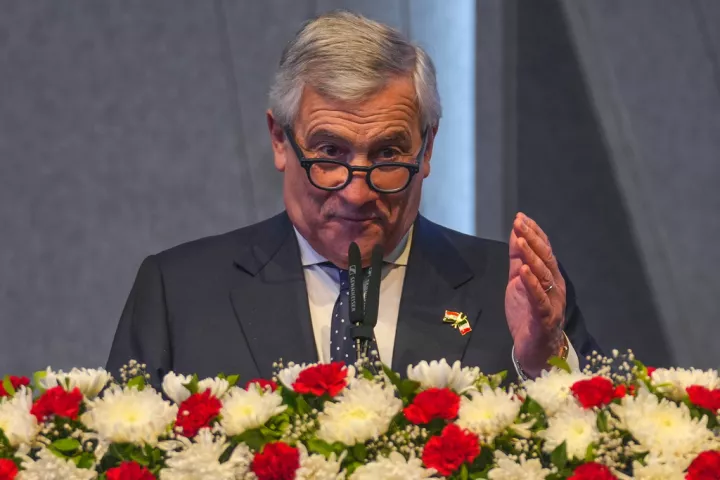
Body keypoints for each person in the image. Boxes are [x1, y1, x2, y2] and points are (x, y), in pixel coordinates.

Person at [107, 11, 599, 384]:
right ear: (279, 140)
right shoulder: (180, 294)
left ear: (427, 148)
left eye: (387, 154)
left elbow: (602, 454)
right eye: (329, 152)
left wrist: (543, 363)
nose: (357, 192)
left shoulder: (514, 291)